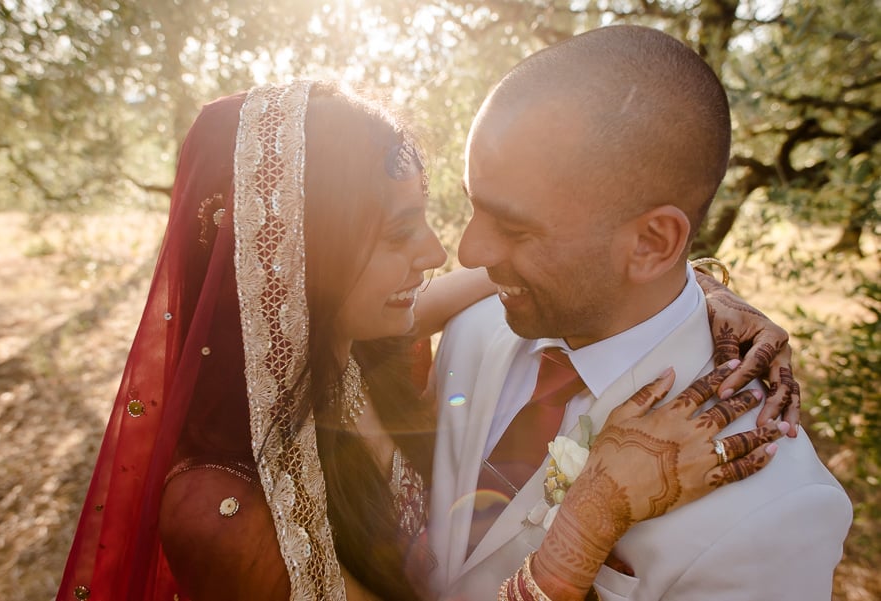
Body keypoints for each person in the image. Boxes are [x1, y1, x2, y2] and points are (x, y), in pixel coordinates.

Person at [58, 79, 793, 601]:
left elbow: (531, 270)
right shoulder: (220, 508)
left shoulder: (358, 345)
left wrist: (699, 291)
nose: (445, 250)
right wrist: (589, 518)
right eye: (400, 231)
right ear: (300, 259)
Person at [428, 25, 853, 601]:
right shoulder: (470, 330)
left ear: (653, 242)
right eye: (474, 204)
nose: (469, 254)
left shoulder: (778, 506)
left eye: (515, 227)